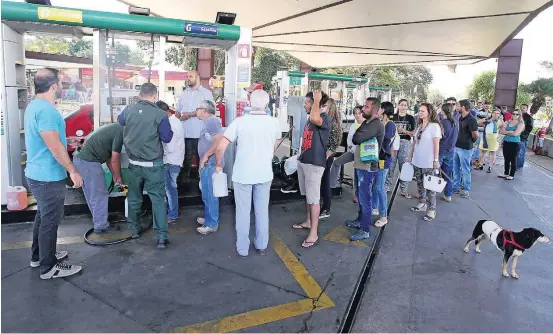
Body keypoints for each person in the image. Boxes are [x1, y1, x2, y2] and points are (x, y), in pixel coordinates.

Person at [25, 68, 83, 279]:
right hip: (47, 176)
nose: (62, 87)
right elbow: (54, 147)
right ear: (53, 86)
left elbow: (49, 140)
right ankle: (48, 267)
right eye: (61, 83)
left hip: (37, 173)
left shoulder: (35, 106)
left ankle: (39, 256)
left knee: (43, 217)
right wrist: (73, 170)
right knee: (50, 221)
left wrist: (67, 141)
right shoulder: (47, 110)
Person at [215, 90, 281, 256]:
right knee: (261, 211)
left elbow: (221, 146)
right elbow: (274, 146)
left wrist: (218, 165)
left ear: (249, 103)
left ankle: (242, 248)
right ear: (267, 104)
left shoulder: (240, 122)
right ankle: (261, 245)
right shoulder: (274, 123)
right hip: (264, 174)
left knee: (243, 212)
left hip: (242, 174)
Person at [118, 83, 173, 249]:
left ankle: (134, 231)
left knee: (134, 198)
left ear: (140, 95)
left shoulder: (128, 110)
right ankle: (161, 238)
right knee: (158, 200)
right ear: (155, 96)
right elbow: (167, 138)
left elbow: (120, 121)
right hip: (153, 165)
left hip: (133, 165)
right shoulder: (160, 114)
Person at [291, 91, 332, 248]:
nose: (304, 105)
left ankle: (313, 233)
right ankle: (308, 222)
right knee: (308, 196)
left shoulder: (324, 119)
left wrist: (316, 101)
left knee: (314, 199)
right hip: (304, 161)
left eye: (307, 102)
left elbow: (316, 118)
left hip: (315, 165)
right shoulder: (310, 118)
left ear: (317, 104)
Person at [73, 122, 123, 234]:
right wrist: (118, 175)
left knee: (93, 194)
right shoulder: (120, 132)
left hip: (81, 159)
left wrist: (115, 174)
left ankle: (100, 219)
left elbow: (109, 157)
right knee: (99, 194)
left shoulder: (113, 128)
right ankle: (101, 225)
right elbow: (115, 158)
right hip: (88, 161)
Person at [345, 97, 384, 240]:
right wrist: (360, 131)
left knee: (365, 198)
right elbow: (357, 135)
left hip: (368, 167)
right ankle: (360, 220)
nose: (362, 109)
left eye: (366, 107)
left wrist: (359, 133)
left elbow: (356, 139)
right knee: (361, 196)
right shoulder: (367, 123)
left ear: (374, 110)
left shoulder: (375, 125)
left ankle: (365, 229)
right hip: (361, 165)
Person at [177, 70, 215, 179]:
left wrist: (189, 115)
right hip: (185, 132)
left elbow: (209, 109)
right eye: (187, 76)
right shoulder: (184, 93)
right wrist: (175, 121)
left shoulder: (206, 93)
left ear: (198, 77)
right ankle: (183, 185)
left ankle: (202, 181)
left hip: (200, 132)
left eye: (190, 76)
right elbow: (178, 110)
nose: (188, 78)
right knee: (185, 159)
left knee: (201, 158)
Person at [408, 103, 442, 221]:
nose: (420, 112)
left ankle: (432, 209)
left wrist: (435, 160)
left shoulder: (434, 126)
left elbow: (436, 144)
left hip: (428, 162)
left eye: (423, 111)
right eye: (420, 111)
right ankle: (422, 203)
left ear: (429, 112)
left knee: (430, 187)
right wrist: (411, 156)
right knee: (420, 184)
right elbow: (414, 143)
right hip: (417, 160)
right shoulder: (419, 126)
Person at [196, 100, 224, 234]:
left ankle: (212, 223)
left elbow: (219, 141)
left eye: (198, 108)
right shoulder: (209, 122)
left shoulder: (211, 121)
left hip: (210, 164)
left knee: (210, 194)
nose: (197, 111)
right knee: (206, 193)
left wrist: (205, 156)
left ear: (204, 110)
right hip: (209, 164)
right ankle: (209, 218)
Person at [156, 101, 185, 224]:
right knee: (170, 189)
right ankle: (171, 213)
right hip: (175, 160)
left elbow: (170, 146)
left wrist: (161, 152)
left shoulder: (171, 123)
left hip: (171, 161)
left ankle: (172, 215)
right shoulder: (175, 121)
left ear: (163, 112)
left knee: (170, 189)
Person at [330, 105, 363, 203]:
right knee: (337, 162)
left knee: (357, 173)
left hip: (362, 154)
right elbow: (349, 140)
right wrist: (351, 148)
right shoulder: (353, 125)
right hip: (352, 151)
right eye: (355, 114)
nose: (357, 116)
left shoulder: (366, 125)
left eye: (359, 113)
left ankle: (358, 195)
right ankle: (332, 185)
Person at [372, 101, 396, 227]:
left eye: (380, 108)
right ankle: (374, 207)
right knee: (376, 185)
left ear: (384, 110)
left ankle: (383, 215)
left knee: (379, 187)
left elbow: (385, 139)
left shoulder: (390, 125)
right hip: (377, 158)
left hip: (384, 160)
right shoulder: (382, 123)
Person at [387, 99, 416, 197]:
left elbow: (413, 133)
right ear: (398, 105)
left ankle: (404, 189)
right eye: (401, 105)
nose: (403, 107)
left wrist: (404, 131)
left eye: (405, 105)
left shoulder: (411, 118)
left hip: (405, 142)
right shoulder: (392, 117)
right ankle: (386, 185)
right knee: (390, 164)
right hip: (393, 142)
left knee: (404, 166)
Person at [319, 99, 342, 219]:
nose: (322, 107)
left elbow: (333, 145)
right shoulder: (326, 121)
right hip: (321, 155)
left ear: (331, 108)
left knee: (325, 181)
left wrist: (324, 158)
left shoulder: (334, 124)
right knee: (322, 181)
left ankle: (326, 208)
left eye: (324, 106)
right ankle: (321, 206)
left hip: (326, 156)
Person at [453, 99, 479, 198]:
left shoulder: (471, 119)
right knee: (456, 169)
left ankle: (466, 189)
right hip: (457, 146)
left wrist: (470, 141)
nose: (456, 107)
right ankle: (456, 186)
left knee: (465, 169)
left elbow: (475, 135)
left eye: (458, 106)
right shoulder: (460, 118)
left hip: (466, 149)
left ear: (463, 107)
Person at [438, 103, 459, 203]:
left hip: (441, 150)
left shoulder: (442, 122)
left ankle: (430, 194)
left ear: (442, 111)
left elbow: (439, 137)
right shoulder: (455, 122)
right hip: (451, 151)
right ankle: (448, 195)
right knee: (448, 174)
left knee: (434, 173)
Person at [474, 107, 502, 173]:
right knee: (482, 152)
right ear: (492, 113)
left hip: (494, 138)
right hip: (485, 137)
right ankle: (480, 165)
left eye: (497, 113)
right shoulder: (487, 119)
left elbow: (503, 129)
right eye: (494, 113)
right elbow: (477, 122)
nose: (496, 114)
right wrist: (486, 120)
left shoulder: (499, 121)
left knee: (492, 153)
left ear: (499, 114)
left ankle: (490, 166)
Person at [499, 110, 525, 180]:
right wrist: (510, 131)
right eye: (514, 114)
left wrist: (507, 132)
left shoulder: (521, 124)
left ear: (520, 115)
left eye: (517, 114)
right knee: (506, 159)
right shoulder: (508, 121)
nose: (515, 115)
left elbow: (515, 134)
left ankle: (511, 175)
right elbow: (501, 131)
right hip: (506, 142)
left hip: (515, 143)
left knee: (513, 159)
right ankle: (506, 173)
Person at [517, 104, 533, 171]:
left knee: (521, 152)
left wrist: (521, 134)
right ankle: (515, 164)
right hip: (515, 136)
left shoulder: (529, 117)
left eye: (524, 108)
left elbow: (529, 128)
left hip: (522, 138)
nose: (522, 109)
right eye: (521, 107)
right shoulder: (517, 115)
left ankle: (519, 166)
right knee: (516, 151)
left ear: (527, 109)